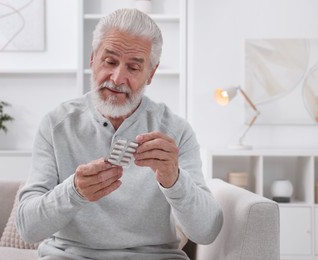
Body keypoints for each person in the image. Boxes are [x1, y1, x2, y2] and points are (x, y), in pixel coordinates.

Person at [16, 8, 223, 260]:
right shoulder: (56, 125)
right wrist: (74, 191)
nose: (117, 78)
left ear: (151, 74)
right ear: (93, 59)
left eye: (134, 68)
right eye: (110, 62)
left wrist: (174, 179)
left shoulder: (176, 132)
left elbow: (207, 231)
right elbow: (27, 228)